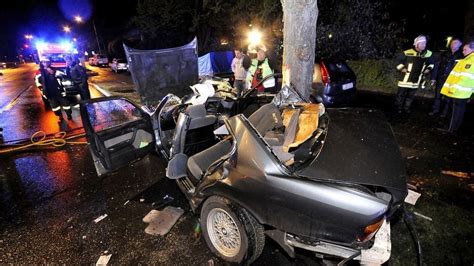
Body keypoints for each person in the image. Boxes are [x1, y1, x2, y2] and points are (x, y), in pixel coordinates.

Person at [394, 35, 435, 114]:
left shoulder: (428, 54)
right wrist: (402, 68)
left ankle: (406, 108)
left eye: (425, 43)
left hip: (416, 80)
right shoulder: (407, 53)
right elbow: (397, 62)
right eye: (422, 43)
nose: (424, 45)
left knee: (410, 96)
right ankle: (398, 108)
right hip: (405, 79)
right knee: (401, 95)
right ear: (416, 44)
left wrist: (428, 69)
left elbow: (432, 64)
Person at [440, 40, 474, 133]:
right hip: (462, 92)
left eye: (465, 50)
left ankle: (451, 129)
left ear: (472, 49)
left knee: (456, 112)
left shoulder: (470, 61)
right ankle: (453, 128)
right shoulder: (467, 59)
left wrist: (453, 89)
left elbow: (464, 78)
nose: (463, 52)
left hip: (459, 92)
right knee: (458, 111)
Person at [429, 37, 463, 117]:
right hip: (441, 78)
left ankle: (444, 113)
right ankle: (435, 110)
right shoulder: (444, 54)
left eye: (455, 43)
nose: (453, 45)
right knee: (437, 96)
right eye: (452, 43)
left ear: (460, 44)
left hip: (452, 80)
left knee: (448, 98)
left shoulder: (461, 56)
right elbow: (437, 66)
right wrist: (433, 78)